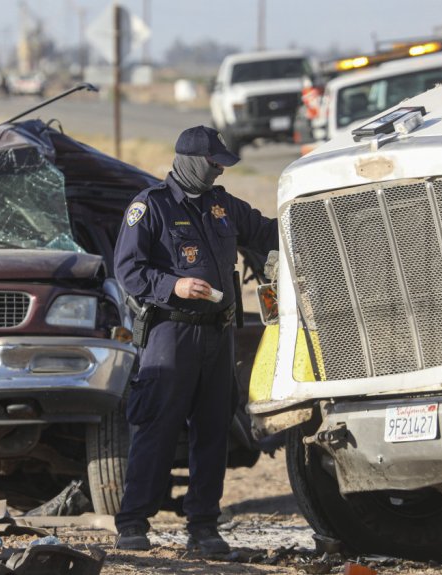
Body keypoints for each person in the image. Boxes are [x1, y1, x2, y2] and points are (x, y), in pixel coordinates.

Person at [112, 125, 278, 553]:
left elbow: (267, 232)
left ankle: (203, 526)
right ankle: (133, 524)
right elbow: (128, 271)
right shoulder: (151, 207)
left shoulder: (223, 206)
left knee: (213, 429)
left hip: (217, 336)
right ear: (189, 161)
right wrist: (174, 286)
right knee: (157, 427)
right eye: (213, 163)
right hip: (172, 333)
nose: (220, 170)